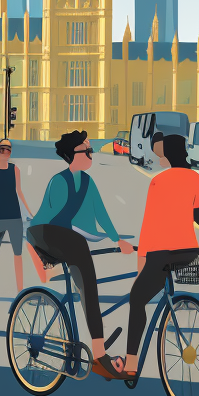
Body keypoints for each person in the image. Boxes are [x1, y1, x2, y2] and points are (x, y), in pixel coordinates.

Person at [27, 130, 134, 379]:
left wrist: (118, 240)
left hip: (67, 238)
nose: (90, 153)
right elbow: (53, 220)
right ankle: (99, 355)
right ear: (72, 155)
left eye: (91, 149)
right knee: (85, 270)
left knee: (88, 287)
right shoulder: (59, 181)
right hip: (43, 233)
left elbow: (100, 212)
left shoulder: (87, 182)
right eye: (86, 150)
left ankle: (93, 352)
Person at [123, 134, 199, 378]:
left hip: (161, 253)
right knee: (162, 280)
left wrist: (141, 264)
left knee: (137, 299)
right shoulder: (195, 179)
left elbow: (149, 224)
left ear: (168, 154)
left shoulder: (158, 181)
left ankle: (129, 365)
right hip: (188, 253)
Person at [0, 139, 46, 291]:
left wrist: (29, 212)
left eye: (9, 149)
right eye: (3, 148)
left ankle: (20, 289)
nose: (7, 151)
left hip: (14, 217)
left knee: (18, 254)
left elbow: (19, 191)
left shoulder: (15, 169)